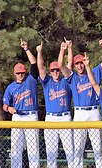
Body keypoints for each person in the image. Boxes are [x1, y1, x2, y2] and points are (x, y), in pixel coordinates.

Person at [58, 39, 102, 167]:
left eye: (81, 63)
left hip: (93, 112)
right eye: (77, 64)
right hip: (79, 113)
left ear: (85, 62)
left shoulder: (93, 72)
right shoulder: (73, 77)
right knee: (78, 149)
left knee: (98, 148)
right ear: (75, 66)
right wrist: (62, 50)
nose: (80, 66)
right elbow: (60, 65)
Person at [36, 39, 74, 167]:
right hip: (51, 118)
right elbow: (40, 67)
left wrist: (67, 49)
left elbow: (69, 64)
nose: (55, 72)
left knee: (70, 151)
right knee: (51, 153)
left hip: (65, 117)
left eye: (57, 70)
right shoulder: (47, 82)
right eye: (53, 71)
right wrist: (39, 53)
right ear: (50, 72)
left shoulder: (66, 81)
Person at [2, 38, 40, 168]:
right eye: (18, 73)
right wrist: (9, 109)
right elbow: (4, 105)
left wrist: (26, 49)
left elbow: (34, 64)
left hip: (31, 115)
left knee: (33, 148)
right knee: (16, 148)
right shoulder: (11, 87)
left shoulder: (31, 80)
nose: (20, 75)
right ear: (14, 74)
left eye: (22, 72)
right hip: (17, 116)